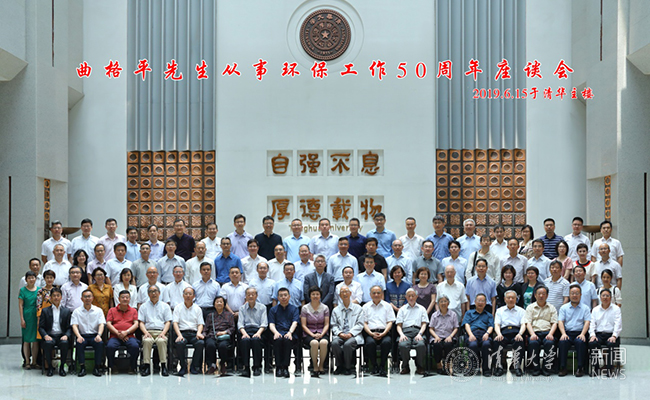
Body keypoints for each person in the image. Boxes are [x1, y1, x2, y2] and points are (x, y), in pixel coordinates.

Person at [557, 284, 591, 377]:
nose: (574, 295)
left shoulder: (585, 308)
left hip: (580, 332)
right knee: (563, 342)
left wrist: (583, 334)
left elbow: (587, 322)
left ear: (580, 295)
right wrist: (563, 333)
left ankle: (580, 368)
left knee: (580, 342)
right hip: (567, 332)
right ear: (569, 295)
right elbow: (560, 321)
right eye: (572, 293)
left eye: (577, 293)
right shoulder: (564, 308)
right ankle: (562, 367)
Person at [138, 285, 173, 377]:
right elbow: (141, 322)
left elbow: (168, 322)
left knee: (161, 341)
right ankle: (146, 366)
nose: (153, 293)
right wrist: (145, 333)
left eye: (155, 291)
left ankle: (164, 366)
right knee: (146, 341)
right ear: (148, 294)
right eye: (151, 292)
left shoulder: (165, 306)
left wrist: (163, 333)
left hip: (161, 332)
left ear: (159, 293)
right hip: (148, 332)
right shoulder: (143, 307)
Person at [524, 286, 558, 376]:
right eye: (539, 294)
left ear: (547, 296)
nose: (541, 296)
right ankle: (535, 368)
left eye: (543, 294)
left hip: (547, 332)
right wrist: (532, 334)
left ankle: (547, 368)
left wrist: (551, 334)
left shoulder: (551, 307)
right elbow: (528, 323)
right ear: (535, 295)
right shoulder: (530, 307)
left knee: (550, 343)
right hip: (535, 332)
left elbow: (554, 323)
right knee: (533, 343)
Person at [71, 289, 106, 377]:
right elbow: (74, 325)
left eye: (89, 296)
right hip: (82, 335)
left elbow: (101, 324)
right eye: (85, 297)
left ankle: (97, 367)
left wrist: (99, 335)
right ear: (81, 299)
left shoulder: (98, 310)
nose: (87, 299)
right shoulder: (76, 311)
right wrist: (78, 336)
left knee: (100, 343)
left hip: (94, 335)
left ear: (92, 298)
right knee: (79, 343)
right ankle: (82, 368)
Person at [362, 285, 396, 377]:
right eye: (374, 293)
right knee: (370, 343)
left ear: (382, 294)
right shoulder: (365, 307)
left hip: (384, 332)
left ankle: (382, 366)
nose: (376, 295)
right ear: (370, 294)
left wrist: (384, 333)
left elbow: (390, 322)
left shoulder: (387, 306)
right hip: (370, 332)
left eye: (378, 293)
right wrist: (371, 333)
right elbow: (364, 323)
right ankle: (374, 366)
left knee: (386, 343)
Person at [331, 285, 364, 375]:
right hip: (340, 335)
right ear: (339, 295)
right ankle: (339, 366)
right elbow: (333, 325)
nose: (345, 294)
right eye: (342, 292)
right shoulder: (336, 310)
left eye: (346, 292)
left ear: (350, 293)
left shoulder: (358, 308)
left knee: (348, 344)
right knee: (334, 343)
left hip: (354, 335)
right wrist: (340, 333)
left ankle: (348, 367)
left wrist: (350, 333)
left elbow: (360, 324)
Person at [492, 290, 526, 376]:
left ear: (516, 299)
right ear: (505, 299)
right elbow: (497, 324)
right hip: (504, 333)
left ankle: (517, 366)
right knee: (497, 341)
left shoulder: (521, 311)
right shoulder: (500, 310)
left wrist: (520, 334)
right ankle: (499, 367)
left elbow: (523, 324)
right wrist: (499, 334)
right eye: (508, 298)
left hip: (516, 332)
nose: (511, 299)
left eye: (513, 298)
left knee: (519, 341)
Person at [589, 288, 622, 376]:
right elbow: (592, 324)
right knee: (592, 343)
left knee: (611, 344)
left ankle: (609, 368)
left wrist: (614, 336)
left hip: (611, 334)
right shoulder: (595, 310)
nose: (605, 297)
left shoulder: (616, 309)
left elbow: (618, 324)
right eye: (603, 295)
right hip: (599, 334)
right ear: (600, 297)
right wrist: (592, 335)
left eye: (607, 296)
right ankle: (596, 368)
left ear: (611, 298)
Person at [39, 287, 72, 376]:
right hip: (50, 335)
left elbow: (69, 327)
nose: (56, 298)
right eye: (54, 296)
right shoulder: (45, 311)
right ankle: (50, 367)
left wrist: (66, 335)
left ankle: (62, 367)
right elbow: (41, 327)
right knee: (48, 344)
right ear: (50, 297)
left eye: (58, 295)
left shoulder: (66, 311)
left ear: (61, 297)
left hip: (62, 335)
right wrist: (45, 335)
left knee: (65, 343)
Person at [172, 287, 205, 376]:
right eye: (186, 294)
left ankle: (194, 366)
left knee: (200, 343)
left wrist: (199, 333)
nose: (188, 296)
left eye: (190, 294)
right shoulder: (178, 308)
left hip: (194, 333)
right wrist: (179, 335)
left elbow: (200, 324)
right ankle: (183, 366)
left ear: (194, 296)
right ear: (183, 295)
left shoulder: (197, 308)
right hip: (182, 332)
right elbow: (175, 323)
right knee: (179, 343)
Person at [106, 290, 140, 374]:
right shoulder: (112, 310)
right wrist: (118, 333)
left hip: (129, 336)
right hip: (115, 336)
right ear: (118, 299)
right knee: (110, 347)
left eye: (127, 297)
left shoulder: (133, 311)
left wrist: (126, 332)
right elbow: (108, 324)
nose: (125, 299)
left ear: (129, 299)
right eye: (122, 297)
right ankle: (112, 366)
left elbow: (136, 324)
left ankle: (132, 367)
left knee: (135, 346)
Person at [269, 288, 300, 378]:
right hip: (277, 332)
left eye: (285, 295)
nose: (283, 297)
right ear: (278, 297)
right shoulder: (273, 310)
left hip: (290, 333)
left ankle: (286, 367)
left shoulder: (294, 309)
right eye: (281, 295)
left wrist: (290, 332)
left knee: (287, 340)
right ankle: (278, 367)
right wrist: (275, 332)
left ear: (289, 297)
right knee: (278, 340)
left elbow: (295, 322)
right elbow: (271, 324)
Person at [395, 289, 428, 375]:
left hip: (418, 331)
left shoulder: (422, 308)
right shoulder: (402, 309)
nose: (411, 298)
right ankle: (405, 366)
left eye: (413, 296)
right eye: (409, 296)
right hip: (405, 332)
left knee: (420, 345)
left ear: (416, 297)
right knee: (403, 345)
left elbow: (424, 324)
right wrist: (401, 335)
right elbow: (398, 325)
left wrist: (420, 334)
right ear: (406, 297)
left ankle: (420, 366)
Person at [238, 287, 268, 376]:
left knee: (256, 340)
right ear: (246, 296)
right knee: (245, 341)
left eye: (253, 294)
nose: (251, 296)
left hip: (258, 330)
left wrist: (258, 333)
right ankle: (246, 367)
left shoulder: (262, 307)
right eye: (248, 295)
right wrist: (244, 334)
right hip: (246, 330)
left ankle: (256, 366)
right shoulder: (242, 308)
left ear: (256, 296)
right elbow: (240, 324)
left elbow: (264, 323)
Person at [301, 286, 330, 377]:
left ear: (320, 296)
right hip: (309, 333)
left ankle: (321, 365)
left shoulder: (325, 308)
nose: (315, 296)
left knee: (324, 342)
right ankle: (314, 365)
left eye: (317, 294)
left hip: (322, 332)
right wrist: (312, 335)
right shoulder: (305, 308)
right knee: (314, 343)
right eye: (313, 294)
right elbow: (303, 325)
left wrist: (321, 334)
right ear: (310, 296)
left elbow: (326, 324)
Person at [462, 293, 494, 376]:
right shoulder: (469, 313)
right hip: (472, 333)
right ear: (475, 302)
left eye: (482, 301)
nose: (480, 303)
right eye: (478, 301)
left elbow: (491, 326)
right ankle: (472, 368)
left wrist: (487, 333)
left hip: (484, 334)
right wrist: (470, 334)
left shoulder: (489, 315)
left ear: (485, 303)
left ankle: (486, 369)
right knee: (472, 345)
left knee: (487, 344)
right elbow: (466, 324)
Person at [204, 296, 235, 375]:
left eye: (221, 302)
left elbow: (232, 328)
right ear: (214, 304)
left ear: (224, 304)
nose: (219, 303)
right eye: (217, 302)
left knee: (223, 346)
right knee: (210, 345)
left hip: (224, 336)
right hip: (212, 335)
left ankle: (223, 363)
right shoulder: (210, 315)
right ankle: (212, 365)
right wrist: (203, 335)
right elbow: (206, 328)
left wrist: (224, 332)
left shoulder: (229, 315)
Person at [429, 295, 459, 374]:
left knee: (448, 345)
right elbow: (431, 328)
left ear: (448, 303)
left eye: (445, 301)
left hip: (449, 336)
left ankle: (447, 365)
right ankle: (438, 365)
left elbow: (456, 328)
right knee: (436, 344)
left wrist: (450, 336)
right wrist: (436, 336)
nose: (443, 303)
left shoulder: (453, 314)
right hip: (437, 336)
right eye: (441, 302)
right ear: (438, 304)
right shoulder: (434, 315)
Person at [19, 271, 40, 369]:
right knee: (26, 340)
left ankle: (34, 362)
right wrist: (22, 319)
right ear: (26, 280)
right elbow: (20, 305)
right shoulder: (22, 290)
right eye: (29, 278)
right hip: (27, 316)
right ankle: (27, 361)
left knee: (35, 340)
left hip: (36, 316)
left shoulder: (39, 290)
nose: (31, 280)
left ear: (35, 279)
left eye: (33, 278)